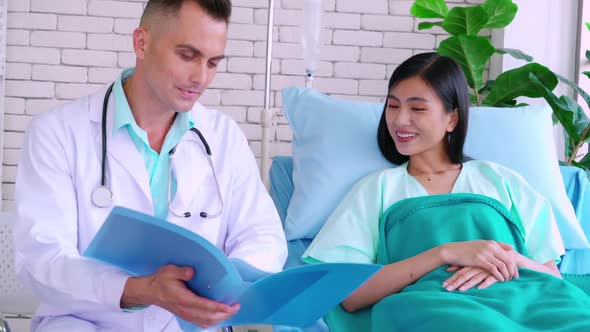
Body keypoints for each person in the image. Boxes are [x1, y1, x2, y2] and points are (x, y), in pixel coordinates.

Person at [14, 1, 287, 331]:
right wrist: (140, 290)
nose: (200, 77)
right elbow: (43, 259)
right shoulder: (56, 134)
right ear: (141, 42)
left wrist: (225, 286)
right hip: (85, 322)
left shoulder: (224, 137)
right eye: (187, 55)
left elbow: (263, 236)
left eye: (213, 63)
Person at [302, 52, 590, 331]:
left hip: (527, 302)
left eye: (417, 108)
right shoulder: (376, 189)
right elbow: (351, 296)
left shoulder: (502, 181)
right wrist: (447, 253)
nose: (400, 120)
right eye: (392, 106)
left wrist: (508, 260)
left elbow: (552, 278)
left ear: (452, 119)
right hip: (434, 309)